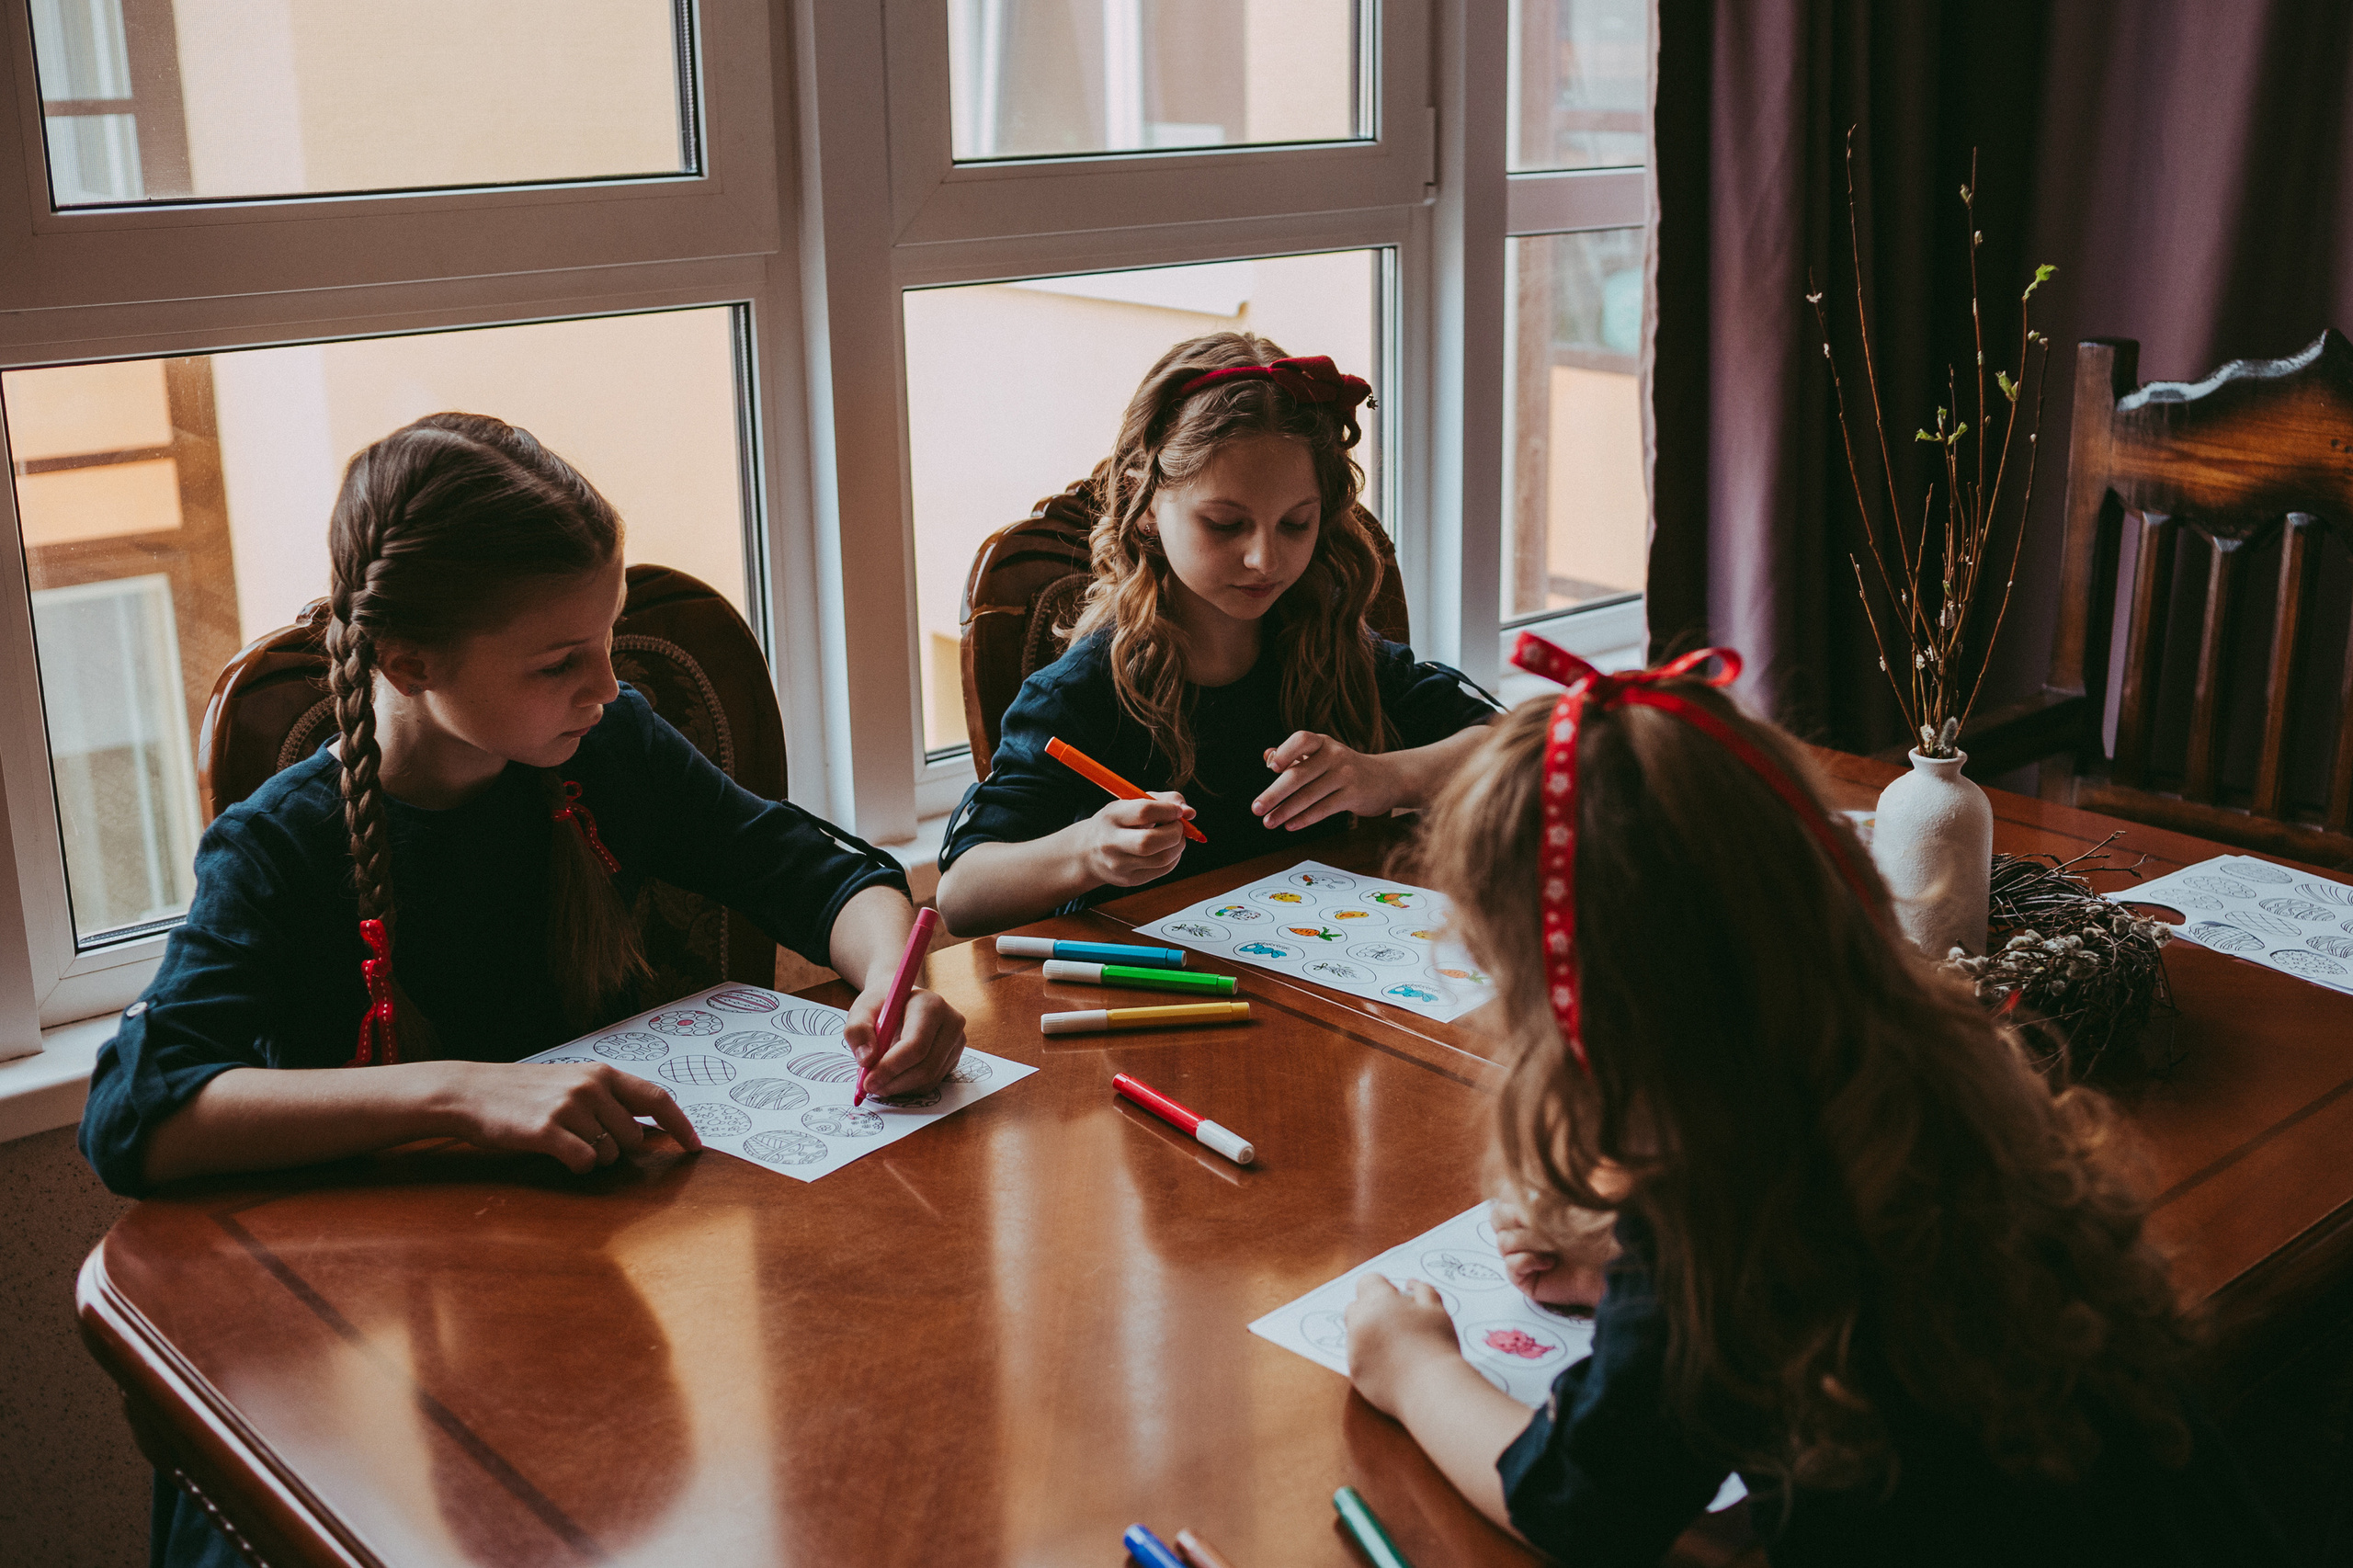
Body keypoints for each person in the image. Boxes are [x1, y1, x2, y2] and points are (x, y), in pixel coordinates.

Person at [1341, 636, 2287, 1565]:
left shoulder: (1716, 1209)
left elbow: (1581, 1501)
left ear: (1594, 1008)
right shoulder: (1918, 1068)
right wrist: (1619, 1274)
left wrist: (1413, 1364)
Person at [82, 412, 967, 1208]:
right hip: (387, 1301)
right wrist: (463, 1094)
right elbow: (135, 1115)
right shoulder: (278, 848)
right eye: (558, 664)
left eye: (609, 638)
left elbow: (823, 873)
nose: (608, 686)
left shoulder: (611, 745)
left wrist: (894, 983)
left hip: (611, 1236)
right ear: (407, 664)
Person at [936, 333, 1496, 935]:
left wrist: (1385, 777)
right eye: (1225, 524)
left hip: (1324, 975)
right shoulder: (1080, 692)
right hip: (1152, 999)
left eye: (1294, 524)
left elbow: (1515, 748)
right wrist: (1087, 850)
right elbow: (963, 893)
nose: (1265, 559)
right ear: (1145, 501)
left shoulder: (1330, 648)